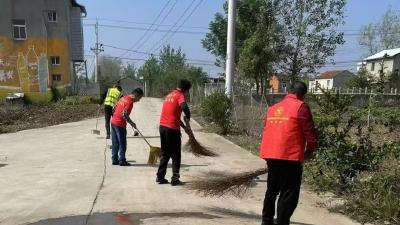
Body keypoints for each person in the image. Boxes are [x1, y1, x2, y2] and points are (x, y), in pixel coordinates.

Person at [259, 81, 317, 225]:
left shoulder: (273, 108)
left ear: (288, 92)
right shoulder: (301, 107)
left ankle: (266, 221)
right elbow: (310, 135)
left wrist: (270, 156)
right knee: (288, 193)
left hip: (271, 154)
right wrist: (309, 151)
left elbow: (267, 130)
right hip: (290, 156)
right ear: (303, 94)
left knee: (271, 190)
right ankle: (282, 222)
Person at [156, 79, 192, 186]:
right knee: (176, 154)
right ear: (186, 90)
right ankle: (175, 179)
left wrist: (184, 126)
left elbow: (173, 116)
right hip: (172, 129)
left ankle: (160, 176)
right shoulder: (180, 95)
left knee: (165, 153)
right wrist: (188, 117)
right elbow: (184, 106)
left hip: (163, 127)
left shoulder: (169, 95)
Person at [111, 88, 144, 166]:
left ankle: (114, 159)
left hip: (113, 122)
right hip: (119, 124)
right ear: (136, 95)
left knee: (115, 142)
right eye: (139, 98)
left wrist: (115, 117)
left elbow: (114, 108)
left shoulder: (123, 98)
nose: (139, 100)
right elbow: (124, 114)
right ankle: (122, 160)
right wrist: (132, 123)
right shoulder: (129, 102)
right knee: (122, 143)